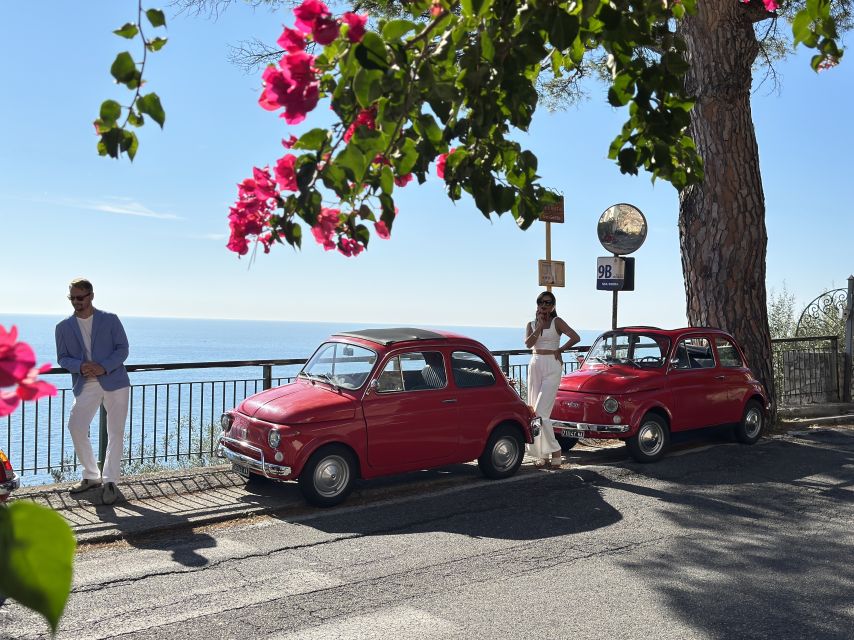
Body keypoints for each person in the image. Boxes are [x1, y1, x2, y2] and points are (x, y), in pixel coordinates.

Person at [55, 278, 130, 505]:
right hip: (86, 382)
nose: (76, 302)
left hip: (115, 380)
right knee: (76, 426)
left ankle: (110, 481)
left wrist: (103, 366)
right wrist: (79, 366)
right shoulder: (63, 327)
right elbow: (62, 358)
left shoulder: (110, 320)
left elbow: (123, 349)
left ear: (91, 296)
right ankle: (90, 475)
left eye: (80, 297)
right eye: (72, 298)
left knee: (115, 432)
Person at [524, 291, 580, 467]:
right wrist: (539, 327)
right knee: (534, 413)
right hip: (535, 365)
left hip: (552, 365)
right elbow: (528, 344)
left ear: (553, 305)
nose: (544, 305)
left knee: (542, 413)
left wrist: (560, 349)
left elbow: (575, 337)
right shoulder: (531, 324)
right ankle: (543, 454)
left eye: (548, 302)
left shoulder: (557, 322)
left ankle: (555, 450)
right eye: (541, 302)